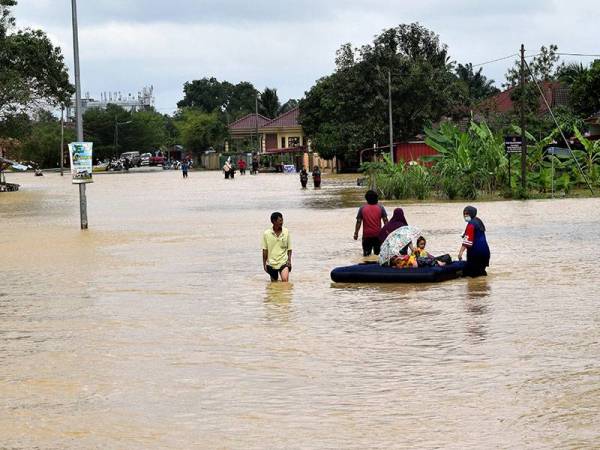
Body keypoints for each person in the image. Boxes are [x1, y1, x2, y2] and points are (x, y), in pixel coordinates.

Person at [354, 190, 388, 256]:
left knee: (366, 255)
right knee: (378, 255)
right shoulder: (381, 208)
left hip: (366, 236)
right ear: (376, 198)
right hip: (378, 235)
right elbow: (385, 221)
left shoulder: (362, 208)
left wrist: (356, 233)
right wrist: (387, 233)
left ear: (366, 199)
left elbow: (358, 222)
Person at [458, 206, 490, 277]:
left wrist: (460, 253)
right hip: (485, 253)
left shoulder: (471, 224)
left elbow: (467, 241)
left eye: (467, 214)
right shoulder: (478, 221)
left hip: (475, 253)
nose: (465, 215)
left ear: (472, 213)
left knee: (472, 275)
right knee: (481, 273)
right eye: (464, 214)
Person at [262, 212, 292, 282]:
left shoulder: (286, 231)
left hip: (283, 262)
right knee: (274, 285)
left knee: (285, 280)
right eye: (280, 221)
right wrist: (264, 265)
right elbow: (265, 251)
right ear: (273, 221)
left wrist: (289, 261)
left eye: (282, 220)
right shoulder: (266, 234)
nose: (282, 222)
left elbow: (289, 248)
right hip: (271, 263)